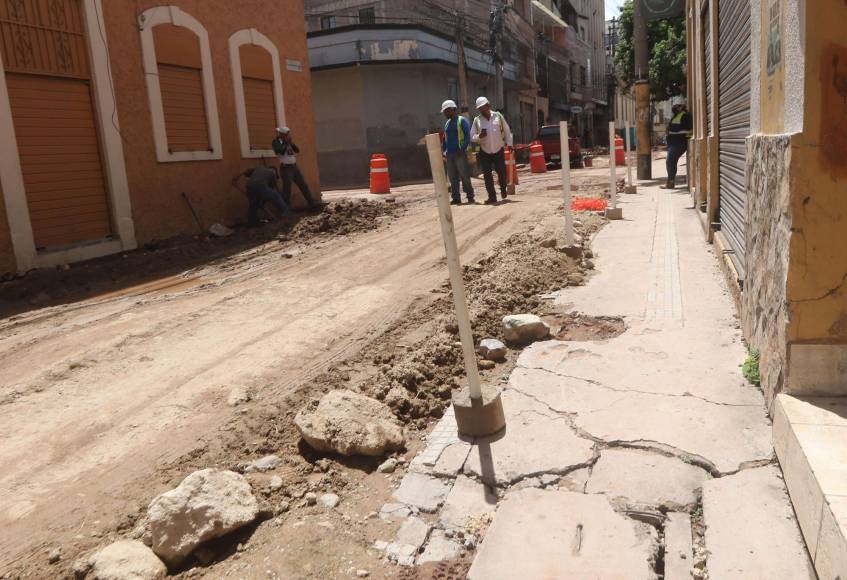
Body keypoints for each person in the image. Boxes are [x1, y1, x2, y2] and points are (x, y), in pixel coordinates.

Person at [470, 96, 513, 204]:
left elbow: (507, 130)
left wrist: (510, 144)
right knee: (487, 176)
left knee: (502, 172)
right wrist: (480, 136)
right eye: (480, 109)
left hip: (498, 149)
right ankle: (492, 197)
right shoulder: (477, 120)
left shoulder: (498, 116)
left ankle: (503, 188)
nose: (482, 111)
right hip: (484, 151)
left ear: (488, 106)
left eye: (483, 108)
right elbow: (471, 137)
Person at [272, 127, 321, 209]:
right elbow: (280, 151)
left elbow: (297, 150)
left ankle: (312, 204)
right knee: (287, 189)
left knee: (303, 185)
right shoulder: (276, 142)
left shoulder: (288, 142)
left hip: (294, 167)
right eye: (286, 134)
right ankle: (286, 208)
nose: (288, 135)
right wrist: (286, 143)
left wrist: (291, 143)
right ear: (282, 135)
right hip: (286, 168)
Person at [441, 100, 475, 205]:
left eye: (447, 111)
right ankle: (456, 197)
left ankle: (470, 196)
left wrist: (462, 148)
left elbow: (467, 136)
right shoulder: (447, 123)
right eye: (444, 112)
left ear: (453, 109)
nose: (445, 113)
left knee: (464, 175)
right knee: (452, 177)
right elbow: (445, 138)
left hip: (460, 153)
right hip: (450, 154)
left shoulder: (462, 121)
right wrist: (444, 151)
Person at [662, 103, 693, 189]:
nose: (674, 108)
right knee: (671, 161)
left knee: (670, 161)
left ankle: (670, 182)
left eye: (678, 107)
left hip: (680, 142)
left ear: (681, 108)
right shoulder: (677, 115)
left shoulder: (685, 116)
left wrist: (673, 131)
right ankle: (670, 182)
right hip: (673, 143)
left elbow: (689, 129)